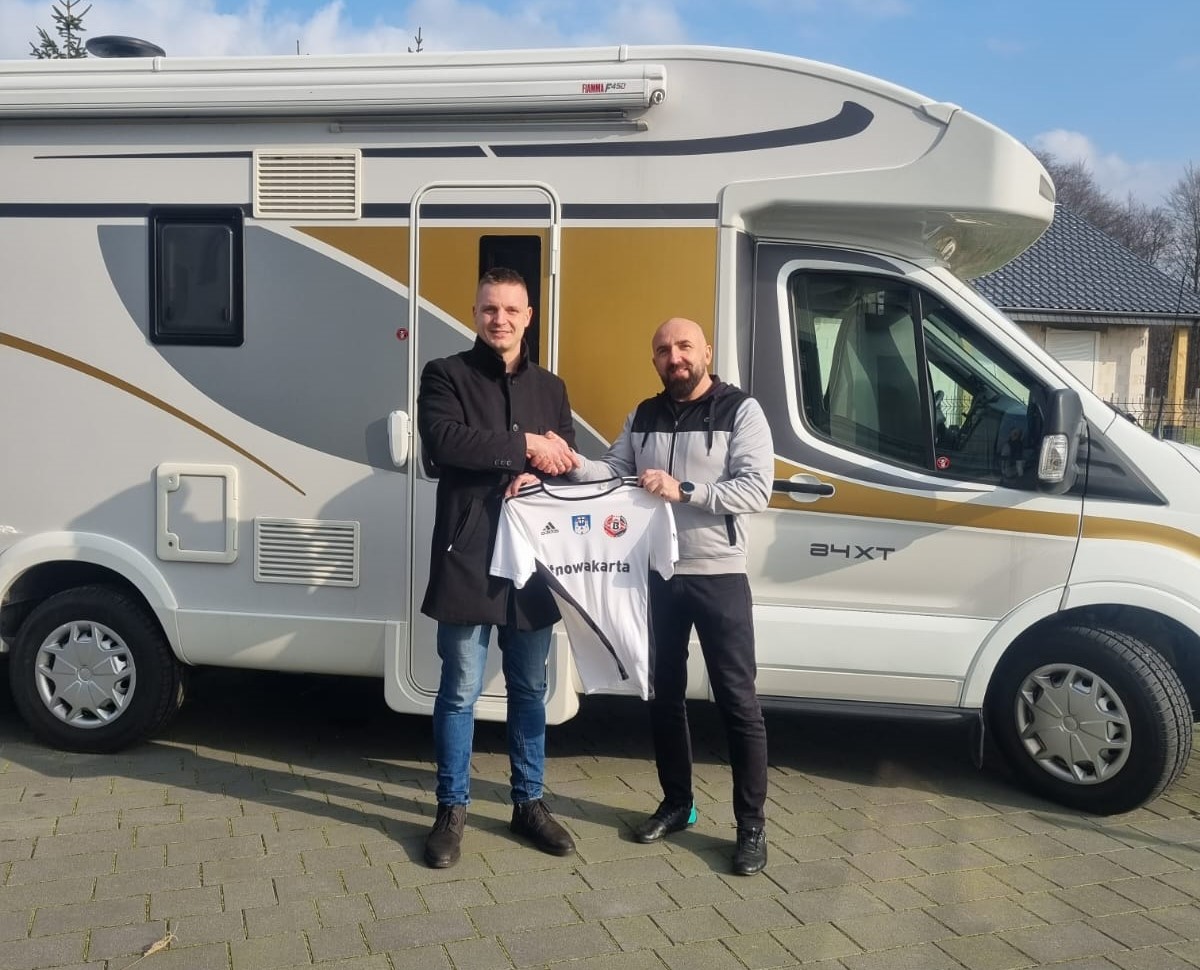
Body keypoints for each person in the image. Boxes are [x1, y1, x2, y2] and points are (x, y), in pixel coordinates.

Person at [568, 316, 774, 875]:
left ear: (706, 350)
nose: (674, 357)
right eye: (663, 349)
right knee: (663, 696)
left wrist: (684, 489)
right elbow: (613, 471)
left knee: (738, 702)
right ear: (655, 360)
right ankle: (678, 804)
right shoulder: (644, 414)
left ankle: (751, 827)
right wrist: (566, 463)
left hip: (719, 575)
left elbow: (756, 489)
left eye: (684, 346)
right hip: (658, 574)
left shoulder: (741, 411)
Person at [417, 267, 580, 869]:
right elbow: (444, 442)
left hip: (531, 564)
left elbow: (565, 460)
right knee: (459, 690)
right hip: (468, 557)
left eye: (512, 310)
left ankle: (528, 802)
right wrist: (524, 447)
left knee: (530, 689)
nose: (500, 319)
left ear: (528, 316)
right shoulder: (445, 374)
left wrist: (538, 473)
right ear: (476, 313)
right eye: (490, 309)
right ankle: (451, 810)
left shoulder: (551, 387)